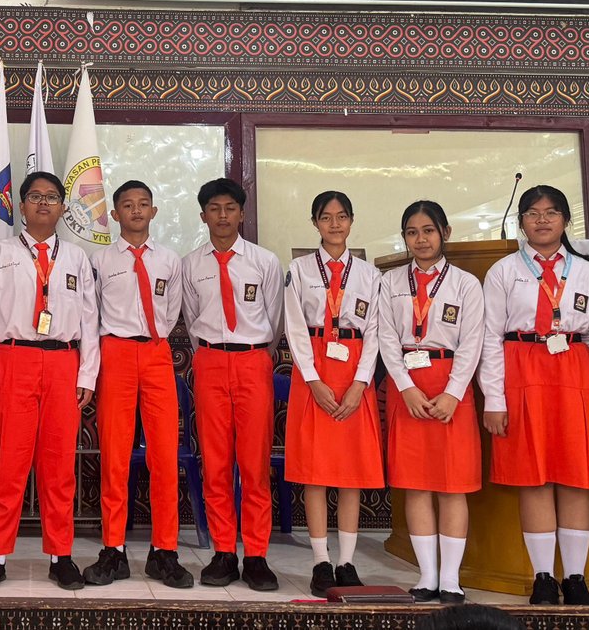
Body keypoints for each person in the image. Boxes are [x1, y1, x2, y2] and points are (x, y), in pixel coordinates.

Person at [478, 185, 589, 606]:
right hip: (522, 369)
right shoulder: (503, 271)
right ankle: (542, 577)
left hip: (574, 374)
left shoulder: (586, 272)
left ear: (565, 220)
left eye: (551, 212)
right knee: (533, 477)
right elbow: (489, 337)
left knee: (576, 478)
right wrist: (494, 399)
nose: (542, 220)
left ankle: (575, 578)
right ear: (521, 222)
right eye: (533, 213)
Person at [0, 171, 100, 592]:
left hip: (63, 363)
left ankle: (61, 556)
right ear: (21, 206)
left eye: (52, 197)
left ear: (63, 207)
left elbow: (90, 320)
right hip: (11, 360)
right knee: (8, 463)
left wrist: (88, 373)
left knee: (59, 466)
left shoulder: (77, 257)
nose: (44, 203)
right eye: (35, 196)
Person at [83, 180, 195, 590]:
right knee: (114, 455)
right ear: (114, 214)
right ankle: (113, 549)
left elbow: (173, 307)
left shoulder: (169, 260)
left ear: (154, 211)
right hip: (115, 352)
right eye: (127, 205)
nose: (135, 211)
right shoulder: (99, 260)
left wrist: (154, 338)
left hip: (156, 352)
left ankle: (164, 551)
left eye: (143, 204)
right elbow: (90, 313)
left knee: (163, 456)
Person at [376, 200, 484, 605]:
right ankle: (427, 576)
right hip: (408, 387)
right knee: (416, 485)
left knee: (453, 485)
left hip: (451, 387)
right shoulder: (390, 282)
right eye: (412, 232)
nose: (420, 239)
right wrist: (405, 387)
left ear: (445, 233)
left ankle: (451, 579)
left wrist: (454, 393)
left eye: (428, 230)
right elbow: (386, 336)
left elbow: (472, 342)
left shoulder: (466, 284)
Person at [180, 177, 284, 591]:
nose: (222, 216)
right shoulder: (191, 264)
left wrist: (252, 352)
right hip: (209, 362)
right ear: (202, 215)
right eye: (214, 208)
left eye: (230, 208)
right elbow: (191, 317)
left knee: (254, 465)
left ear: (241, 213)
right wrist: (213, 352)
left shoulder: (264, 262)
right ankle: (223, 551)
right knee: (216, 462)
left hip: (253, 362)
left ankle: (256, 555)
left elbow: (274, 320)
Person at [281, 191, 385, 597]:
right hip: (315, 374)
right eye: (326, 217)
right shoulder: (300, 269)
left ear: (352, 220)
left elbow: (375, 331)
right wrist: (312, 379)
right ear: (315, 223)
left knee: (350, 473)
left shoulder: (369, 275)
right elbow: (294, 327)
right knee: (316, 472)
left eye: (342, 217)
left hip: (353, 375)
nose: (335, 224)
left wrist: (361, 383)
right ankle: (321, 561)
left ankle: (347, 562)